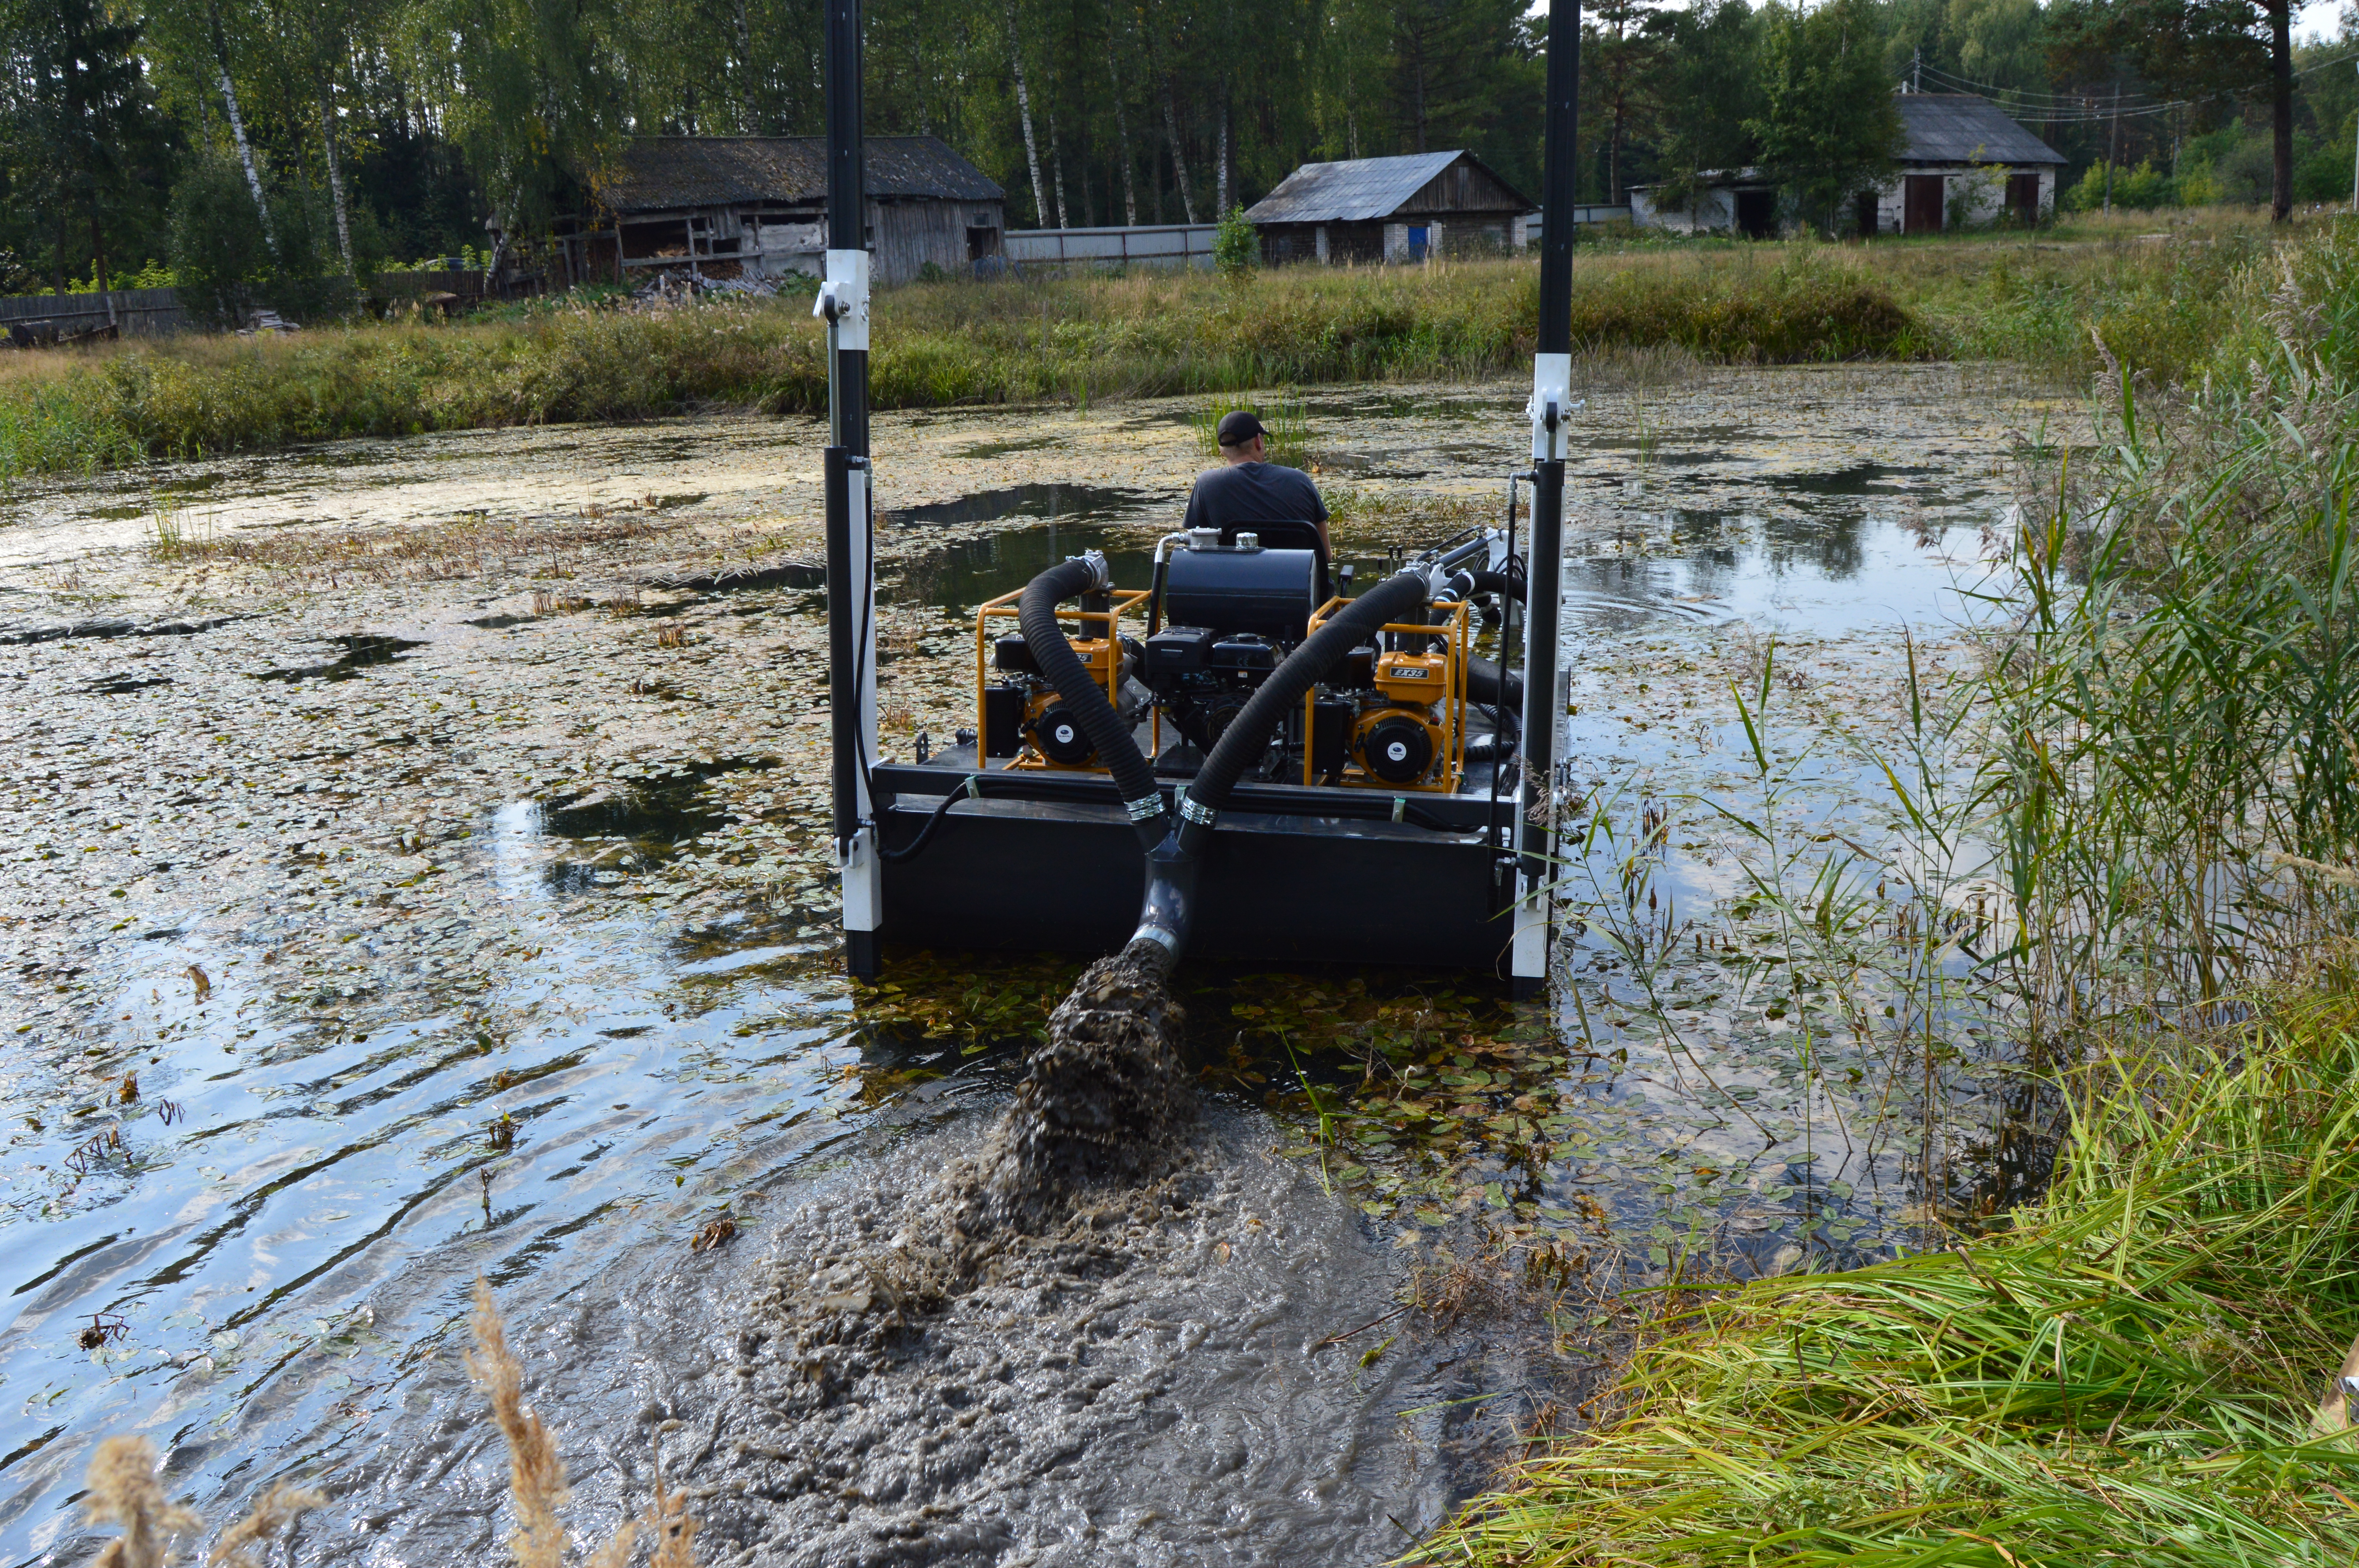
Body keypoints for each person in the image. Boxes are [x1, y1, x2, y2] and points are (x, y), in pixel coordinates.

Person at [1181, 410, 1329, 555]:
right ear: (1258, 441)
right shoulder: (1300, 480)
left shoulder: (1207, 484)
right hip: (1300, 578)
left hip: (1235, 579)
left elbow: (1196, 551)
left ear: (1222, 450)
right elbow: (1326, 556)